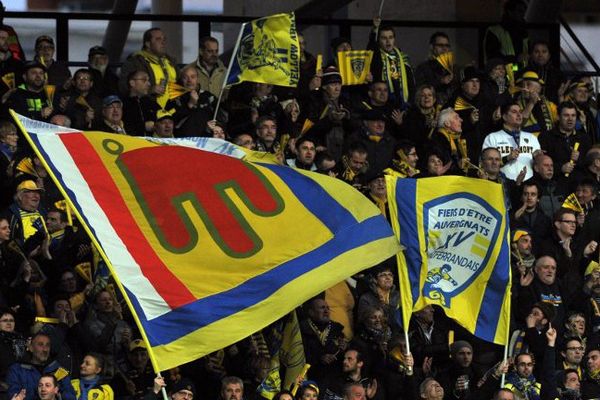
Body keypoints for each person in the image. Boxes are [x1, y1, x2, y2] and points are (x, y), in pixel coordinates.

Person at [482, 101, 542, 181]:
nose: (519, 114)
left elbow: (538, 165)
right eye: (514, 112)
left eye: (520, 112)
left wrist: (537, 157)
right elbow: (485, 165)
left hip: (527, 188)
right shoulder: (492, 137)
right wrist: (507, 158)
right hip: (502, 184)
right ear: (504, 117)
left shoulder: (531, 138)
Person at [6, 332, 76, 400]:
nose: (45, 349)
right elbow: (14, 395)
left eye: (47, 345)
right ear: (31, 348)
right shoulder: (17, 370)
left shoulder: (59, 371)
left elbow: (70, 396)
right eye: (40, 344)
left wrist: (57, 396)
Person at [119, 28, 178, 109]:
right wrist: (149, 90)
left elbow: (181, 81)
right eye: (158, 39)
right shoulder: (135, 62)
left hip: (174, 113)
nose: (163, 42)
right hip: (151, 111)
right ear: (147, 44)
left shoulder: (170, 61)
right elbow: (124, 87)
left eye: (164, 39)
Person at [368, 17, 415, 105]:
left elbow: (411, 83)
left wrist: (411, 103)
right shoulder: (376, 57)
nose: (388, 41)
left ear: (394, 39)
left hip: (403, 102)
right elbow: (371, 46)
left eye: (391, 37)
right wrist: (374, 30)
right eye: (384, 38)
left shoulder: (403, 57)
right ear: (378, 40)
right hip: (384, 102)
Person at [415, 32, 454, 104]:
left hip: (450, 110)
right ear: (432, 47)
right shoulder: (423, 68)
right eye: (440, 45)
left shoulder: (454, 68)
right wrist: (440, 81)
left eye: (447, 45)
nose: (444, 48)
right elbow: (419, 90)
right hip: (430, 110)